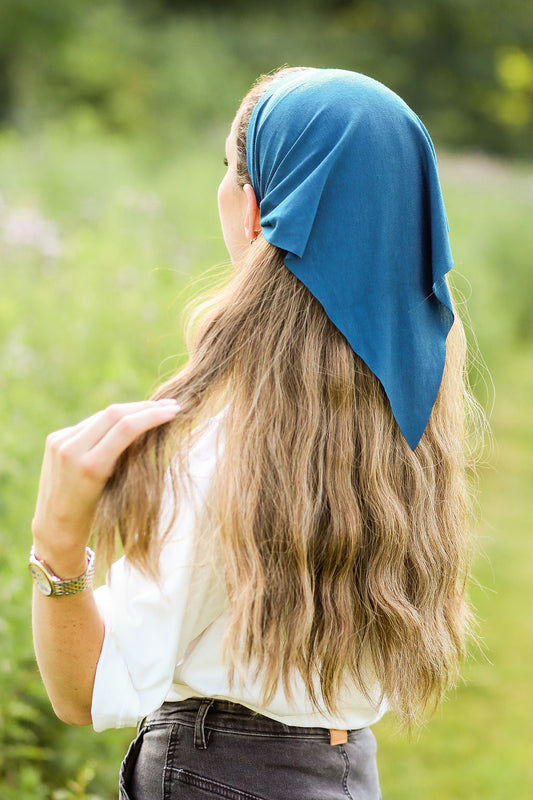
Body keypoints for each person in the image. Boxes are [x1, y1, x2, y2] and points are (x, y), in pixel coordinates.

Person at [30, 67, 480, 800]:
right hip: (342, 773)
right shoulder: (408, 414)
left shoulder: (216, 449)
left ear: (254, 212)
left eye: (228, 170)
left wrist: (55, 543)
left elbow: (83, 692)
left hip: (214, 773)